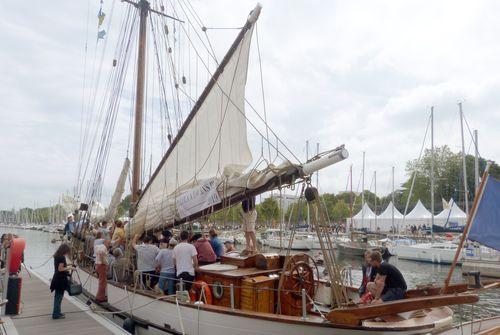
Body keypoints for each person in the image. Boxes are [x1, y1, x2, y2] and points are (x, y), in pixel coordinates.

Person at [50, 243, 74, 319]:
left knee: (58, 296)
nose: (67, 253)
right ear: (65, 251)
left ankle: (57, 312)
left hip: (57, 278)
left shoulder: (57, 256)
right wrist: (70, 268)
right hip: (60, 280)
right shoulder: (62, 257)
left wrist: (68, 265)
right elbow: (60, 269)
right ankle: (56, 314)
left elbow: (60, 266)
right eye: (67, 251)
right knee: (58, 297)